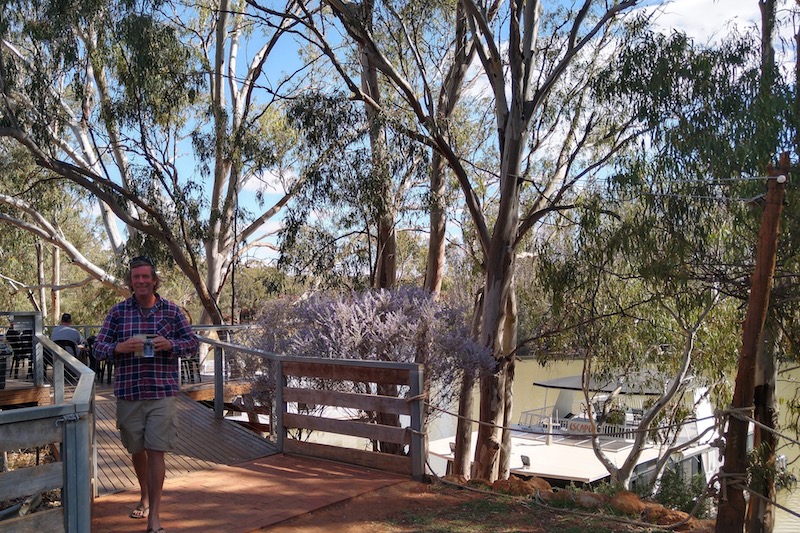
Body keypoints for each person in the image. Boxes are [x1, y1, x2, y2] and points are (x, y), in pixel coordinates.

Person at [93, 256, 198, 533]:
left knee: (156, 450)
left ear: (154, 280)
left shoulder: (172, 312)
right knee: (137, 450)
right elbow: (98, 348)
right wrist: (118, 348)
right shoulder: (117, 312)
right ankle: (145, 496)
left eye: (145, 277)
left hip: (162, 391)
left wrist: (171, 344)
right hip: (129, 392)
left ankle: (155, 518)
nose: (141, 281)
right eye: (136, 277)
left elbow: (192, 344)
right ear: (131, 281)